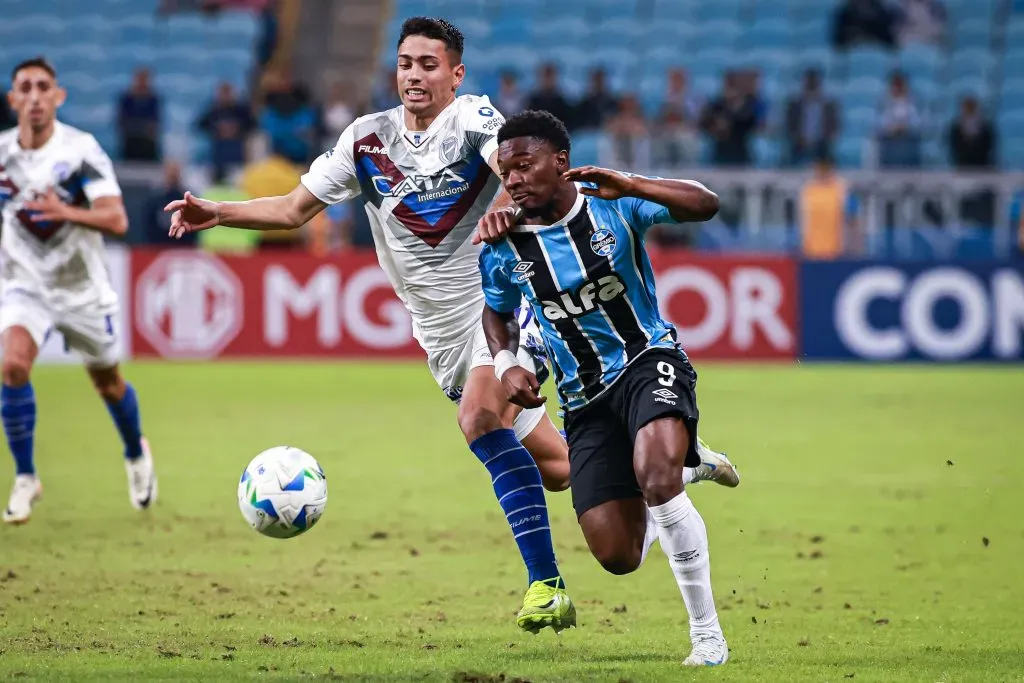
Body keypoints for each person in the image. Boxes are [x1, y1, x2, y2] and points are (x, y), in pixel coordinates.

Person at [165, 17, 736, 633]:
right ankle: (678, 463)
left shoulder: (471, 120)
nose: (415, 74)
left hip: (506, 311)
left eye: (430, 64)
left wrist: (502, 209)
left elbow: (522, 172)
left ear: (455, 74)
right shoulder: (367, 140)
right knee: (557, 469)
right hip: (440, 337)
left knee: (480, 421)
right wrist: (215, 211)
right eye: (407, 62)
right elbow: (292, 208)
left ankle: (546, 586)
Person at [478, 110, 729, 666]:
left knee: (655, 477)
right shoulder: (502, 245)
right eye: (507, 170)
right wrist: (505, 364)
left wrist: (634, 181)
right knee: (617, 555)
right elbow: (496, 315)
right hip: (582, 397)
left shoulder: (613, 203)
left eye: (525, 165)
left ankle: (707, 636)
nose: (514, 179)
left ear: (560, 163)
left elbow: (707, 204)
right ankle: (687, 464)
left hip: (647, 358)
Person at [0, 57, 157, 524]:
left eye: (42, 87)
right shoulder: (3, 155)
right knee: (11, 364)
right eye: (24, 88)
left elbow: (117, 219)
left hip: (82, 288)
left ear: (58, 97)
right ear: (12, 100)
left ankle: (134, 452)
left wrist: (67, 212)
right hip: (24, 284)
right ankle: (26, 475)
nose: (33, 96)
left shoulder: (81, 152)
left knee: (107, 383)